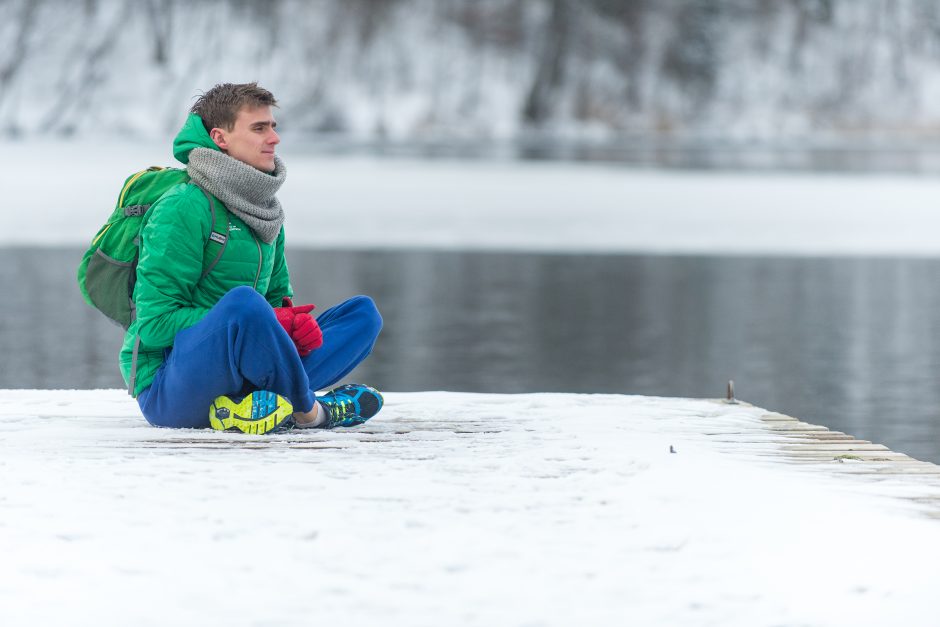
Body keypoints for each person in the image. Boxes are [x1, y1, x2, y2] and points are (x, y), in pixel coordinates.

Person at [119, 82, 383, 434]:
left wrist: (285, 321)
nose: (273, 138)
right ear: (220, 138)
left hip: (245, 376)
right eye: (259, 128)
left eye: (273, 127)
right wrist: (250, 322)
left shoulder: (266, 211)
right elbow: (154, 324)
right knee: (244, 305)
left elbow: (275, 302)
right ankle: (312, 412)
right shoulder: (183, 207)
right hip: (170, 387)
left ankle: (253, 407)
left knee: (362, 315)